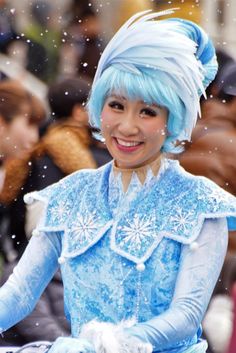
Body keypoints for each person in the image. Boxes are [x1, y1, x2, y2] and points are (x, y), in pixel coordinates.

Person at [0, 9, 236, 353]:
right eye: (116, 105)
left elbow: (186, 314)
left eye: (148, 111)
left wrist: (124, 341)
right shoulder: (69, 195)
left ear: (173, 121)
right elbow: (19, 294)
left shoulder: (200, 203)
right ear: (98, 108)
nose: (127, 126)